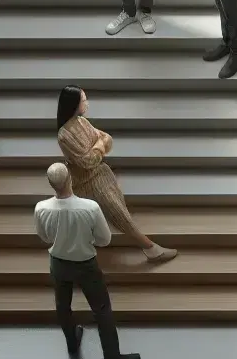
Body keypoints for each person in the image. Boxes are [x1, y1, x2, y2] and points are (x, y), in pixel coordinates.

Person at [35, 162, 140, 359]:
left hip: (58, 263)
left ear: (50, 184)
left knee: (62, 306)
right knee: (102, 309)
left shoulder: (41, 208)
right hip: (86, 265)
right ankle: (112, 357)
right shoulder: (90, 208)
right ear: (70, 179)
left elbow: (44, 236)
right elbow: (104, 239)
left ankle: (72, 344)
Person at [54, 85, 177, 261]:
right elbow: (88, 161)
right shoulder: (64, 135)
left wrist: (97, 147)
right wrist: (98, 146)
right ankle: (149, 248)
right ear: (74, 104)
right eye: (83, 100)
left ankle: (104, 234)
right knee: (117, 212)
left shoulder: (82, 122)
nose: (87, 103)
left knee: (118, 207)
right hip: (87, 182)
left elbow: (107, 139)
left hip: (101, 173)